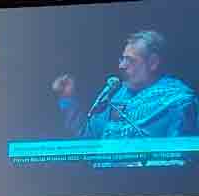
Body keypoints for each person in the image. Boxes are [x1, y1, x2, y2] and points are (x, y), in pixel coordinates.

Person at [53, 30, 198, 138]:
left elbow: (179, 156)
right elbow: (88, 138)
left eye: (130, 60)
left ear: (153, 63)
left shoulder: (179, 101)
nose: (122, 66)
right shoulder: (116, 95)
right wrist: (67, 99)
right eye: (121, 59)